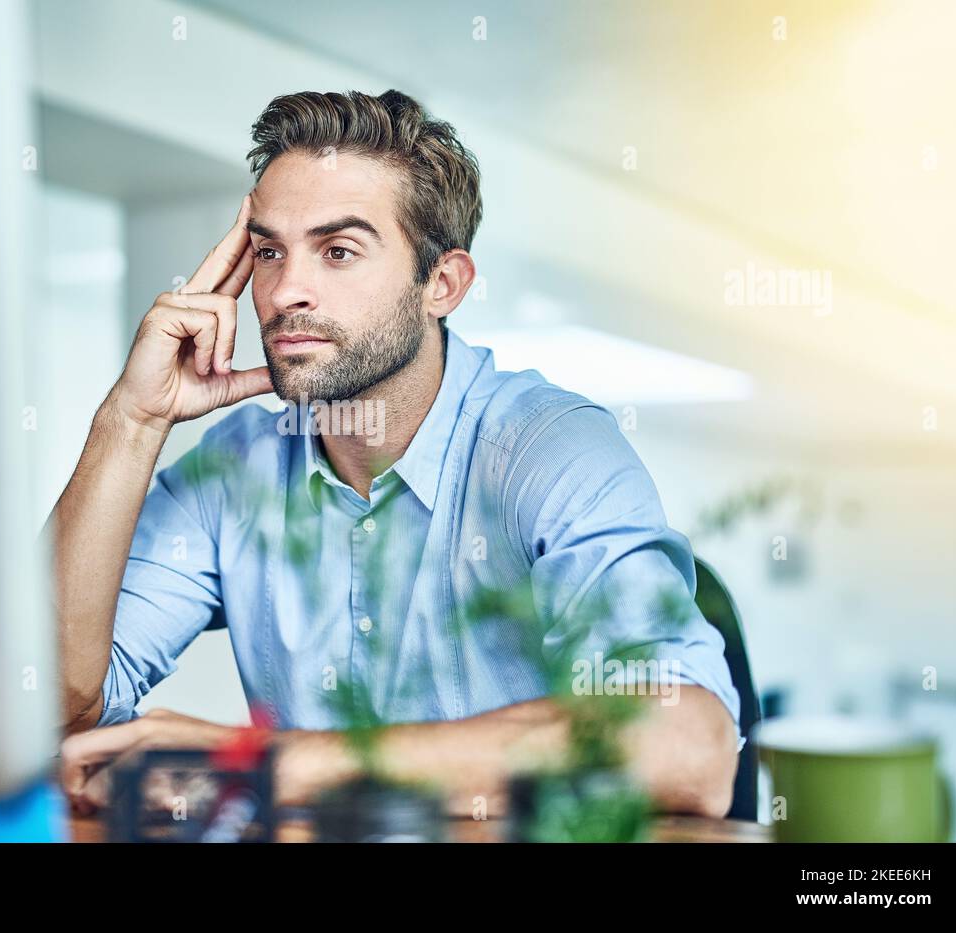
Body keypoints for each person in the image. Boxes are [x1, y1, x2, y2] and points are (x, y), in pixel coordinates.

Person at [48, 90, 741, 818]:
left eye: (338, 251)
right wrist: (132, 418)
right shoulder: (235, 469)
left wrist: (274, 765)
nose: (286, 291)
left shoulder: (551, 448)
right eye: (268, 251)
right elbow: (47, 698)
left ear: (442, 285)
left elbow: (687, 746)